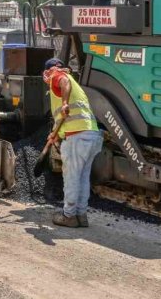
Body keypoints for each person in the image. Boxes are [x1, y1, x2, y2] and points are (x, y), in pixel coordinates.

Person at [41, 57, 102, 228]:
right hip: (91, 135)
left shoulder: (56, 75)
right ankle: (81, 215)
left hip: (77, 137)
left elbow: (63, 82)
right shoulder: (77, 86)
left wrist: (65, 102)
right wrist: (55, 135)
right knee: (83, 177)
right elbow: (65, 118)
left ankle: (68, 215)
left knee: (72, 178)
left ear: (49, 69)